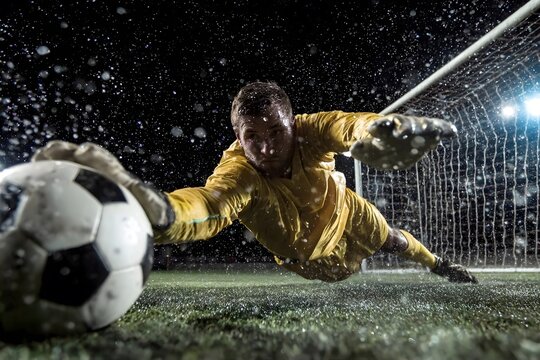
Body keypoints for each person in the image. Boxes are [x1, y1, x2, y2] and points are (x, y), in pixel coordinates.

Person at [33, 81, 477, 283]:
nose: (266, 147)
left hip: (345, 211)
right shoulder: (239, 171)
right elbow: (210, 203)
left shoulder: (309, 130)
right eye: (252, 138)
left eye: (276, 134)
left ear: (291, 123)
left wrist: (377, 130)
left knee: (393, 241)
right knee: (350, 269)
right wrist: (165, 211)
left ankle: (440, 266)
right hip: (309, 258)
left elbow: (345, 125)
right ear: (238, 137)